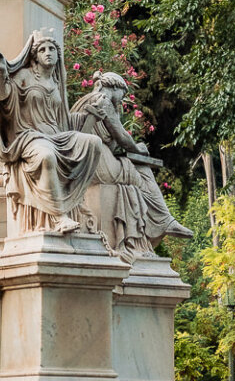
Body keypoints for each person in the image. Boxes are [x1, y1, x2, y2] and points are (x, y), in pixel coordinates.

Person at [0, 31, 104, 234]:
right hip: (29, 136)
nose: (47, 53)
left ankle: (72, 199)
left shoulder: (56, 82)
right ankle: (59, 216)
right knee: (46, 156)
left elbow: (63, 119)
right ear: (35, 56)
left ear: (58, 55)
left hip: (56, 136)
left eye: (51, 49)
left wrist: (89, 116)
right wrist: (2, 73)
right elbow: (4, 98)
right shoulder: (25, 76)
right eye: (42, 50)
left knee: (93, 143)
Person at [71, 72, 192, 257]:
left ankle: (163, 221)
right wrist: (138, 148)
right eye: (123, 93)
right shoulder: (103, 100)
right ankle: (163, 221)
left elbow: (112, 142)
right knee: (142, 171)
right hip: (99, 162)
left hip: (86, 163)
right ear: (114, 87)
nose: (122, 99)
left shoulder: (82, 101)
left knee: (137, 171)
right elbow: (122, 137)